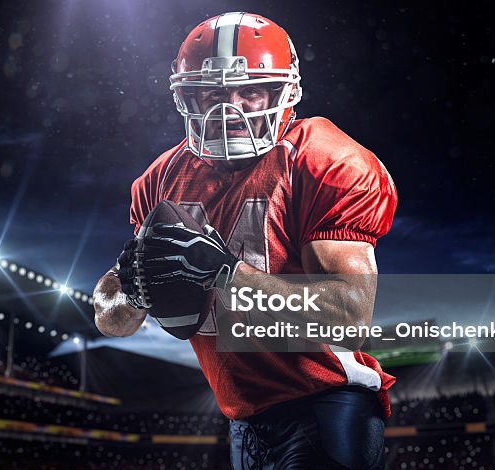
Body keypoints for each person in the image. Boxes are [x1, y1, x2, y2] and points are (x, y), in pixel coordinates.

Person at [92, 12, 398, 469]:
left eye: (251, 89)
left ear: (287, 92)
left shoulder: (325, 160)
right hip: (243, 420)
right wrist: (133, 289)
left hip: (326, 402)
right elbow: (112, 320)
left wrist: (226, 274)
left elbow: (351, 314)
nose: (228, 108)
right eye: (211, 92)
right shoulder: (160, 180)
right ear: (185, 96)